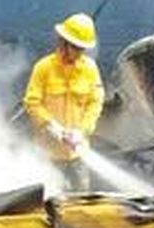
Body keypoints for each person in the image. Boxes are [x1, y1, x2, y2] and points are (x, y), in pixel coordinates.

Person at [23, 12, 105, 192]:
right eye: (75, 47)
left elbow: (95, 102)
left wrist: (82, 131)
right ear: (63, 42)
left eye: (82, 49)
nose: (78, 53)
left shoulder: (90, 69)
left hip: (78, 155)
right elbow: (32, 102)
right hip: (48, 155)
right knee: (49, 202)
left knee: (80, 204)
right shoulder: (43, 68)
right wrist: (53, 128)